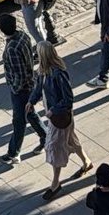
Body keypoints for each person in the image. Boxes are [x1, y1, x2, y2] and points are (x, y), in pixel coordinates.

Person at [28, 42, 93, 201]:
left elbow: (68, 99)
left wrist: (52, 110)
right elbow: (39, 88)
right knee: (71, 139)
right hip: (56, 117)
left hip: (59, 117)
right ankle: (86, 162)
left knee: (53, 146)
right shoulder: (43, 71)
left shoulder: (58, 73)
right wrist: (31, 101)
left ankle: (55, 183)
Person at [0, 13, 47, 165]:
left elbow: (19, 73)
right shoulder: (23, 36)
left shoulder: (11, 48)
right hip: (30, 83)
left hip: (21, 89)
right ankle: (46, 137)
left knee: (19, 121)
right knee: (30, 113)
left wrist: (15, 89)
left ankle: (13, 153)